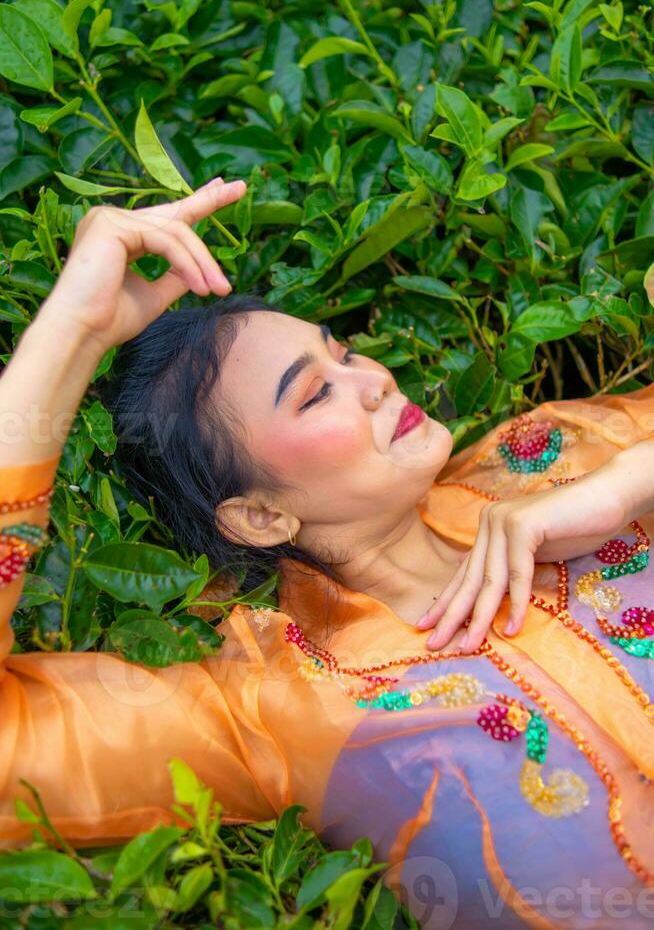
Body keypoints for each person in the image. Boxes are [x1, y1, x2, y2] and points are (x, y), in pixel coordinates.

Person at [1, 178, 654, 929]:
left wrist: (629, 485)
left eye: (344, 352)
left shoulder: (551, 457)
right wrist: (71, 331)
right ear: (258, 515)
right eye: (316, 394)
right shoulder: (279, 704)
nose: (373, 380)